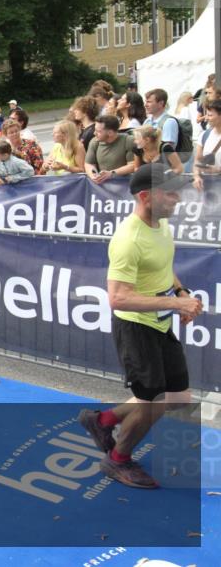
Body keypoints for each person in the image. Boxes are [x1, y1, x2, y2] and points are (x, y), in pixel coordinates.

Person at [77, 163, 201, 488]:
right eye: (171, 192)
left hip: (159, 324)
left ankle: (102, 421)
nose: (178, 198)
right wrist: (177, 304)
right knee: (153, 403)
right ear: (146, 196)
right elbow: (117, 298)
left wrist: (180, 291)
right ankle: (117, 460)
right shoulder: (128, 239)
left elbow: (162, 266)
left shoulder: (160, 224)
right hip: (135, 329)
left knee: (178, 396)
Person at [84, 115, 136, 184]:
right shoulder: (95, 141)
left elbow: (133, 165)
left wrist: (111, 173)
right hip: (103, 186)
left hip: (124, 185)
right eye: (95, 130)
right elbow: (89, 163)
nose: (94, 133)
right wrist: (94, 176)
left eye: (98, 131)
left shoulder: (128, 141)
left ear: (110, 133)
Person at [192, 99, 221, 192]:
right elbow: (197, 161)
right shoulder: (205, 135)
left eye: (210, 115)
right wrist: (196, 177)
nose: (206, 118)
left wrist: (218, 170)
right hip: (207, 186)